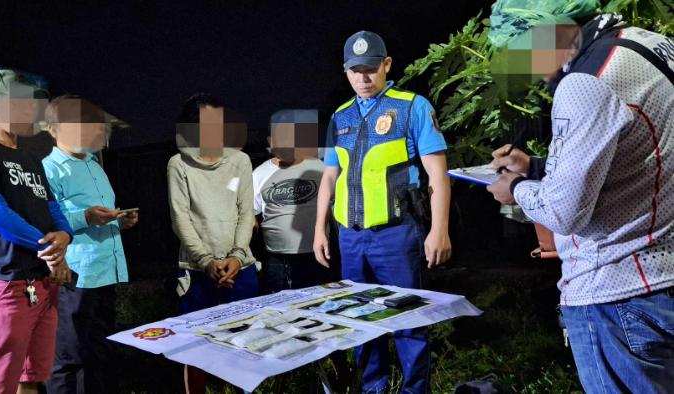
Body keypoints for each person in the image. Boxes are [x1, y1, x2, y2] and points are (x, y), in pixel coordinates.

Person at [485, 1, 674, 392]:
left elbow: (564, 212)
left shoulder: (585, 82)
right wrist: (536, 167)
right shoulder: (648, 44)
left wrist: (515, 189)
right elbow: (637, 152)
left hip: (617, 293)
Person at [313, 31, 452, 393]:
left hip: (397, 235)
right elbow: (329, 177)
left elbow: (437, 172)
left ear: (386, 65)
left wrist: (440, 229)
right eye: (356, 70)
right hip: (351, 236)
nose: (364, 77)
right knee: (362, 322)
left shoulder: (413, 107)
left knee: (409, 321)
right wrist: (318, 230)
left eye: (371, 69)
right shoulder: (339, 117)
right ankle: (372, 389)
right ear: (346, 72)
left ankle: (414, 390)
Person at [0, 70, 73, 394]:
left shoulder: (31, 158)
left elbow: (52, 205)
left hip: (44, 285)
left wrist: (64, 235)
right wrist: (48, 247)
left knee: (32, 377)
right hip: (6, 287)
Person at [41, 95, 138, 394]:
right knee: (69, 356)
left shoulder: (95, 166)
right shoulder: (49, 168)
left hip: (105, 271)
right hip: (76, 275)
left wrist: (119, 221)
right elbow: (45, 222)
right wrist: (85, 217)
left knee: (100, 350)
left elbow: (99, 214)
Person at [167, 93, 259, 393]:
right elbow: (180, 218)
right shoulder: (178, 164)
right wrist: (207, 261)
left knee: (245, 344)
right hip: (196, 271)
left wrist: (236, 256)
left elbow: (246, 213)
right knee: (195, 349)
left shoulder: (240, 160)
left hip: (240, 267)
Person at [253, 109, 332, 293]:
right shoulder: (258, 174)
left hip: (317, 256)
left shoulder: (320, 168)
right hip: (277, 260)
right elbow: (251, 216)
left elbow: (334, 204)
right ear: (270, 143)